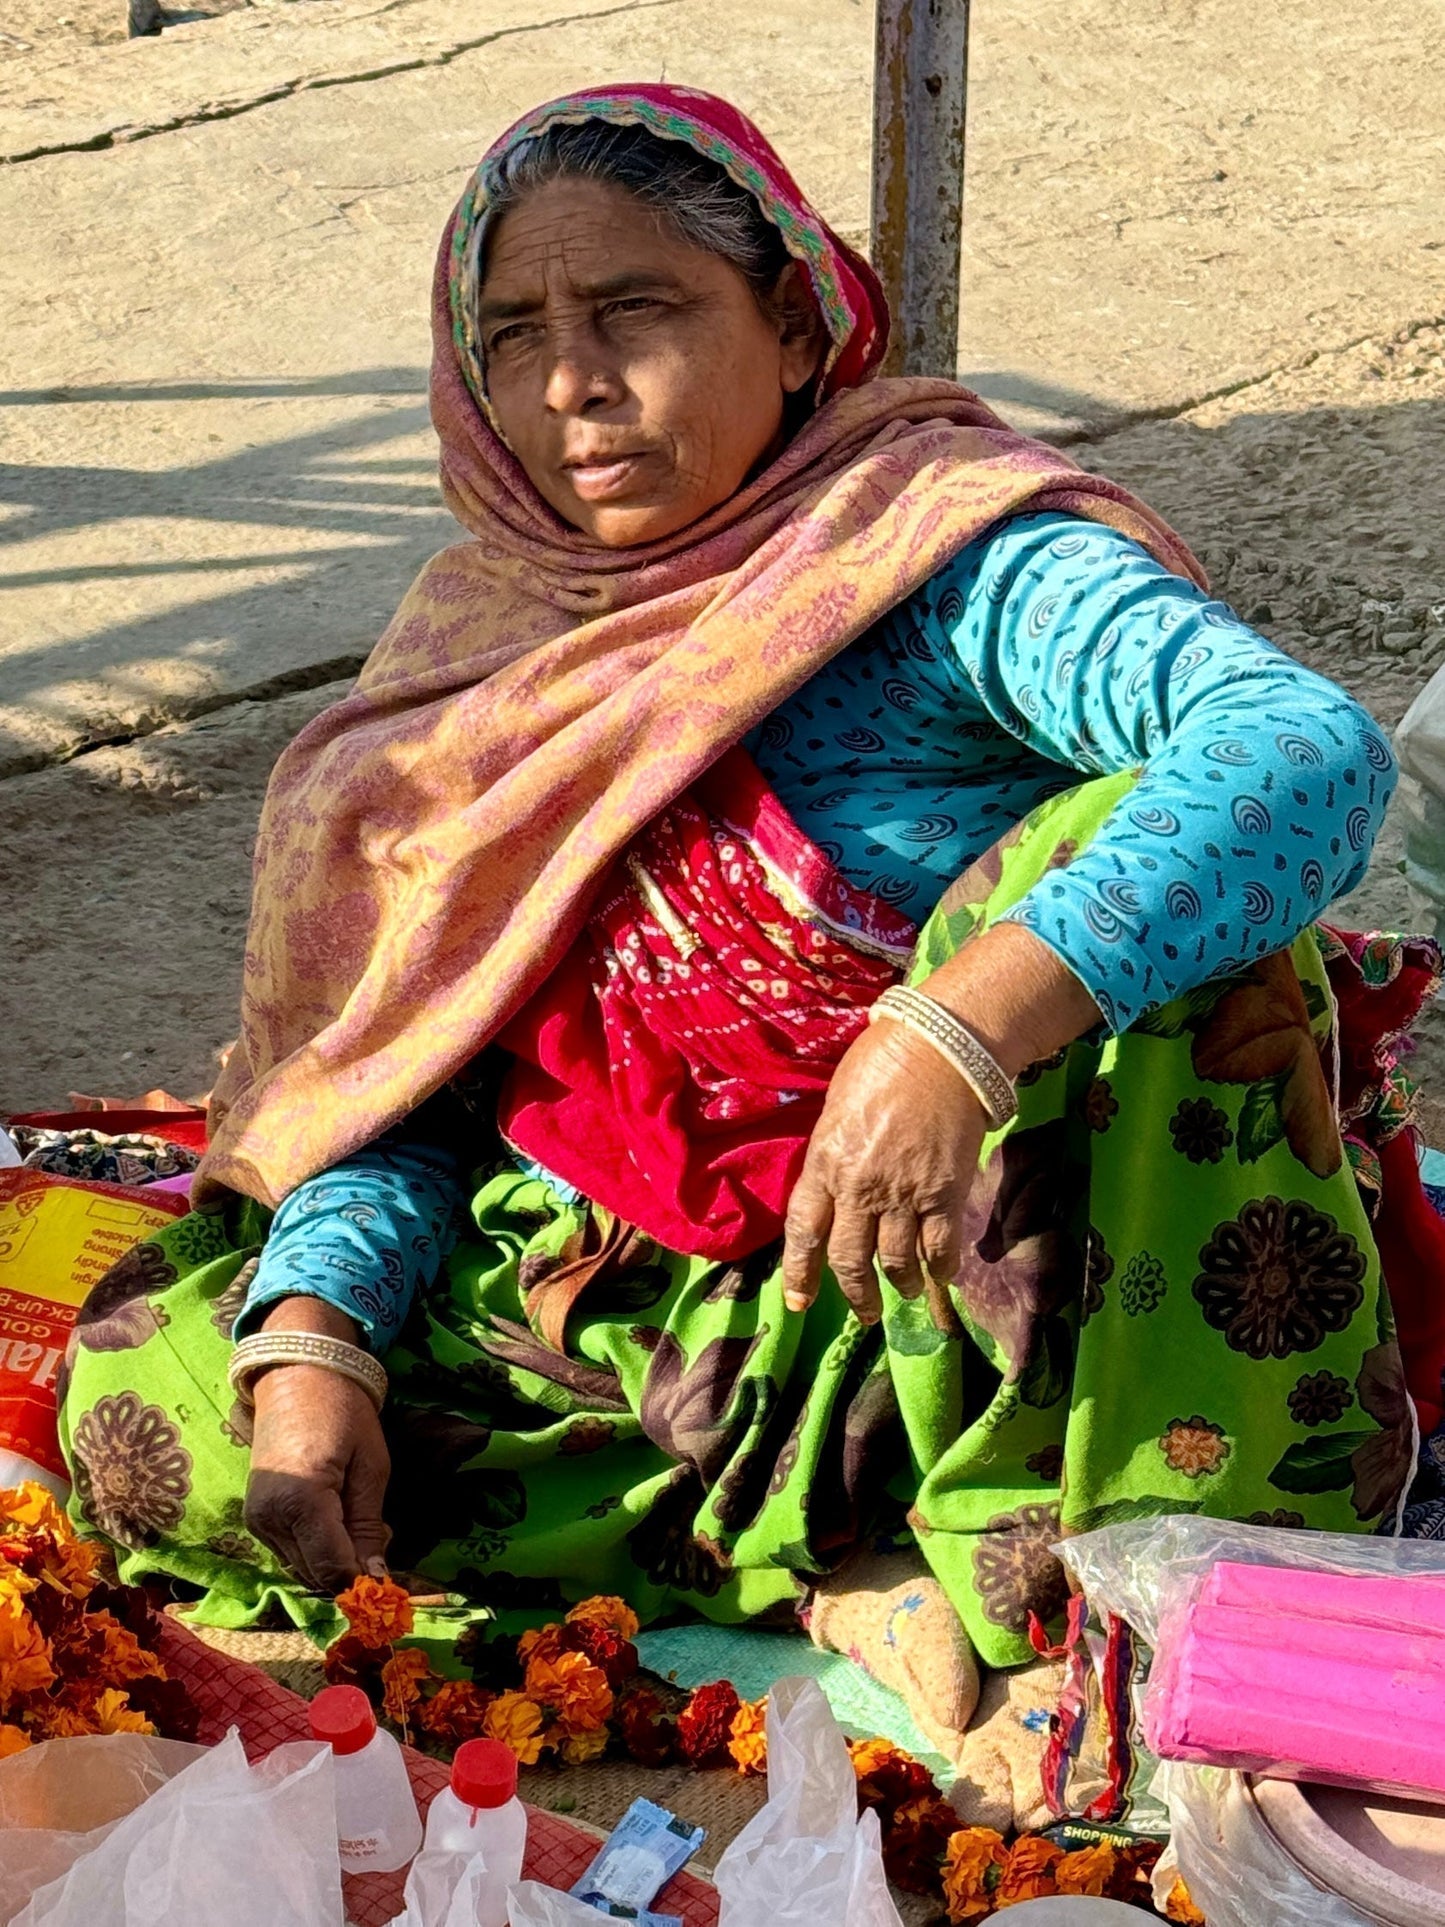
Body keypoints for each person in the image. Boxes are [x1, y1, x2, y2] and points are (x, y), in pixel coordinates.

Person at [60, 87, 1428, 1738]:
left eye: (637, 309)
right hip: (636, 1328)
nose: (573, 381)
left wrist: (951, 1031)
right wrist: (321, 1335)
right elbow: (417, 1076)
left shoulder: (937, 555)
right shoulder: (490, 651)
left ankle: (1132, 1568)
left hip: (958, 1298)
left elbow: (1298, 747)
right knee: (170, 1405)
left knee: (1167, 912)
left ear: (790, 322)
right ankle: (811, 1568)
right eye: (515, 334)